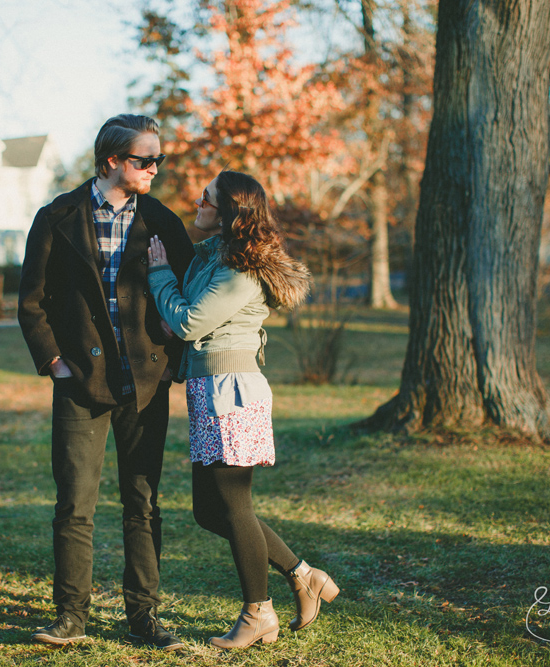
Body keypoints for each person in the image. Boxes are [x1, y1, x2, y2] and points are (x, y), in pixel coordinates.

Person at [18, 114, 195, 650]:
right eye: (145, 160)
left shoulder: (163, 220)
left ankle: (144, 617)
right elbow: (30, 302)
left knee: (142, 502)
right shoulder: (57, 216)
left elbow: (187, 297)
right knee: (75, 505)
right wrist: (55, 363)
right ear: (113, 161)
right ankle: (71, 617)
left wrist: (171, 362)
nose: (155, 169)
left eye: (158, 159)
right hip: (81, 387)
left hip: (145, 385)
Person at [146, 170, 339, 649]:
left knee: (233, 506)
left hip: (231, 393)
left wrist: (157, 274)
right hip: (210, 388)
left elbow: (189, 321)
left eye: (207, 197)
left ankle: (259, 614)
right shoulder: (216, 257)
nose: (198, 199)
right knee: (209, 511)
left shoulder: (241, 269)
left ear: (229, 211)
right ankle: (304, 574)